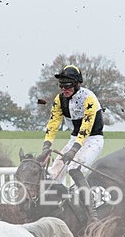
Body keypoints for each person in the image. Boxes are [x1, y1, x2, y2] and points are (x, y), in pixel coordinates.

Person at [38, 64, 104, 220]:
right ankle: (53, 210)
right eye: (61, 86)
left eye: (67, 86)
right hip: (74, 138)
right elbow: (53, 123)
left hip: (93, 140)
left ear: (76, 84)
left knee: (74, 168)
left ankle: (92, 213)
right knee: (54, 173)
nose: (64, 89)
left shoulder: (89, 98)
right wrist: (46, 147)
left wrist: (73, 151)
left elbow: (85, 129)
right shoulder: (59, 100)